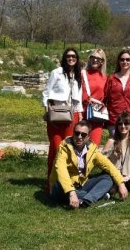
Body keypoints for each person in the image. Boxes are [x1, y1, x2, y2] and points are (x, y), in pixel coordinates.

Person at [49, 121, 128, 208]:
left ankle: (86, 200)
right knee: (59, 184)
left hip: (82, 185)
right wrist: (71, 192)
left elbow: (108, 165)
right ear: (73, 134)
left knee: (107, 178)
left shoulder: (92, 149)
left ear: (88, 137)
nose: (79, 137)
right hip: (63, 186)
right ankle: (92, 196)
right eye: (77, 133)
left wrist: (121, 184)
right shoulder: (64, 147)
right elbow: (61, 171)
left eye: (83, 135)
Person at [43, 47, 83, 185]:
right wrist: (46, 109)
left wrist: (80, 116)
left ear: (77, 59)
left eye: (74, 57)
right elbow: (46, 93)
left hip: (72, 116)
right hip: (56, 115)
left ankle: (64, 182)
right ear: (64, 58)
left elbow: (78, 97)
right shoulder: (57, 73)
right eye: (68, 56)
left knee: (68, 149)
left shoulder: (78, 75)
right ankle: (50, 181)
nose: (71, 59)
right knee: (55, 148)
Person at [104, 49, 130, 137]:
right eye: (122, 59)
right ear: (119, 61)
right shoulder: (111, 78)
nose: (125, 61)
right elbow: (105, 98)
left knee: (129, 147)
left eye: (127, 59)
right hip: (114, 119)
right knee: (115, 145)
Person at [104, 111, 130, 192]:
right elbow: (103, 162)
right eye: (120, 124)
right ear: (117, 126)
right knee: (111, 189)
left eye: (126, 124)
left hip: (128, 175)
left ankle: (120, 185)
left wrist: (128, 177)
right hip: (114, 175)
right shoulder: (111, 141)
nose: (123, 126)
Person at [81, 48, 108, 146]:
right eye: (93, 57)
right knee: (80, 145)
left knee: (93, 146)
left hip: (97, 115)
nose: (95, 60)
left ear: (102, 61)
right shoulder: (82, 73)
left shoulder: (105, 78)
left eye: (99, 58)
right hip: (82, 113)